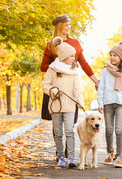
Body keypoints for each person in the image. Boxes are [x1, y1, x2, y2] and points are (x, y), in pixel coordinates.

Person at [42, 36, 84, 168]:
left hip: (70, 106)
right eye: (71, 56)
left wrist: (80, 101)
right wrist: (54, 91)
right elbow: (45, 85)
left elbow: (77, 89)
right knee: (58, 132)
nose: (73, 58)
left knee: (69, 131)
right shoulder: (52, 69)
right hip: (55, 106)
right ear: (64, 56)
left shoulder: (74, 71)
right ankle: (60, 157)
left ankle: (71, 157)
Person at [97, 41, 122, 168]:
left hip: (121, 103)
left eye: (115, 55)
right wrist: (100, 103)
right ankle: (110, 153)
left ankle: (119, 156)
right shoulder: (106, 70)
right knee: (109, 129)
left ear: (121, 57)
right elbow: (101, 87)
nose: (112, 57)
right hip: (108, 103)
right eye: (111, 55)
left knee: (119, 129)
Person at [40, 14, 99, 89]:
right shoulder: (51, 45)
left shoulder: (75, 43)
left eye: (69, 25)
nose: (69, 27)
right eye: (66, 25)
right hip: (55, 85)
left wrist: (96, 82)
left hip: (71, 84)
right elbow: (43, 67)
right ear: (60, 27)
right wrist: (59, 66)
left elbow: (84, 64)